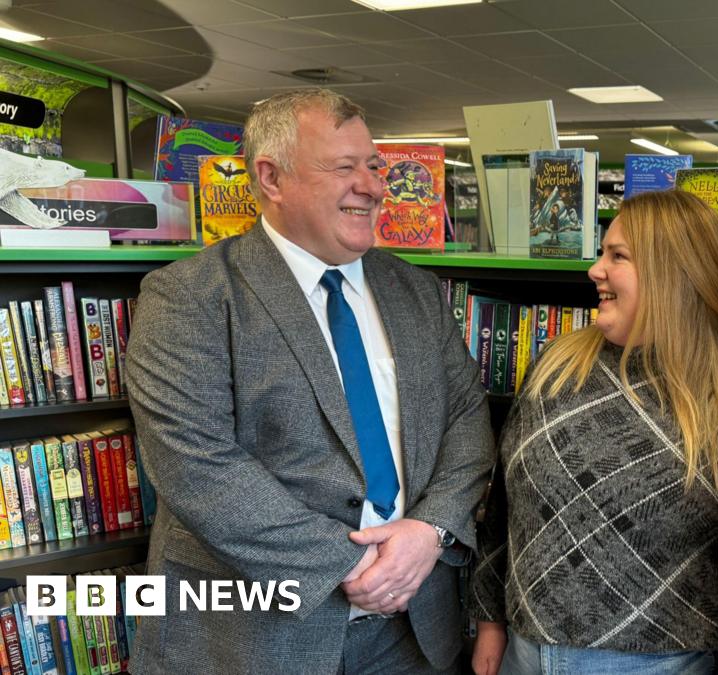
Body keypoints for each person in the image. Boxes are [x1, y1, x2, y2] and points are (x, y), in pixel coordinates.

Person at [125, 89, 494, 674]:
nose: (372, 186)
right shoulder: (188, 297)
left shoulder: (417, 291)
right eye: (344, 167)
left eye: (374, 166)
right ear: (271, 178)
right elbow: (193, 464)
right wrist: (347, 567)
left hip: (414, 630)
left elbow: (467, 418)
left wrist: (431, 530)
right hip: (254, 639)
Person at [469, 190, 718, 675]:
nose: (595, 270)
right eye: (602, 253)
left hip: (661, 661)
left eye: (617, 256)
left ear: (673, 273)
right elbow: (504, 508)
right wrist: (489, 620)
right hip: (524, 649)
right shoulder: (557, 364)